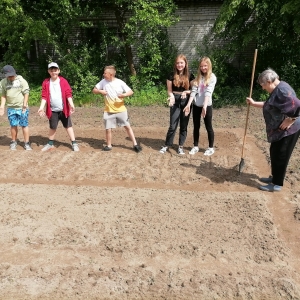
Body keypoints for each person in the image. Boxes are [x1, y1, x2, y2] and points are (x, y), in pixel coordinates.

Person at [246, 68, 300, 192]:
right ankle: (274, 177)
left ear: (269, 81)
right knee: (275, 153)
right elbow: (270, 104)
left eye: (263, 85)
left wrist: (291, 119)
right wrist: (254, 103)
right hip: (279, 130)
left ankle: (277, 184)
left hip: (288, 131)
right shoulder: (278, 89)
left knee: (281, 155)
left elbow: (297, 105)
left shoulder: (282, 90)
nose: (263, 88)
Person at [92, 65, 142, 153]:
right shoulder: (103, 82)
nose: (103, 74)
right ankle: (108, 145)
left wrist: (124, 95)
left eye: (105, 73)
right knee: (108, 129)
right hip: (108, 110)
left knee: (127, 126)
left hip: (121, 110)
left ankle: (135, 144)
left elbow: (130, 91)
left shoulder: (120, 82)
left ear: (111, 74)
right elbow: (94, 90)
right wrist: (100, 91)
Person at [38, 62, 79, 151]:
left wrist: (71, 105)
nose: (54, 72)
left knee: (68, 126)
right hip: (52, 110)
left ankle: (74, 143)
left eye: (55, 70)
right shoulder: (46, 82)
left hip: (63, 109)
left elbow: (68, 94)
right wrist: (41, 107)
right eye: (51, 70)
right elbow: (44, 96)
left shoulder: (63, 81)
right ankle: (50, 143)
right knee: (53, 127)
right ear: (49, 71)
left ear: (59, 71)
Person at [159, 54, 194, 155]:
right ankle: (167, 145)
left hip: (186, 102)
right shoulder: (171, 75)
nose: (179, 65)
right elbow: (169, 91)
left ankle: (180, 147)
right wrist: (172, 97)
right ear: (175, 64)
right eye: (178, 63)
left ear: (185, 63)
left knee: (184, 125)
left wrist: (185, 92)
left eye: (181, 63)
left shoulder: (190, 75)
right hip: (175, 101)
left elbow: (193, 91)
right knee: (172, 125)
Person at [183, 56, 217, 156]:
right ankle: (195, 146)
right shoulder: (198, 77)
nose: (203, 68)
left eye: (205, 66)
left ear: (209, 66)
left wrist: (205, 107)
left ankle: (211, 148)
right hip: (196, 105)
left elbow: (208, 93)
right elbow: (193, 92)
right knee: (196, 126)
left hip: (207, 106)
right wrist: (189, 105)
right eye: (201, 66)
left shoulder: (212, 77)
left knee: (208, 126)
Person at [0, 65, 32, 150]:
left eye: (12, 75)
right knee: (13, 125)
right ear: (5, 75)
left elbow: (26, 93)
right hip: (11, 108)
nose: (11, 77)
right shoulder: (3, 82)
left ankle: (27, 143)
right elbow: (3, 95)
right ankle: (13, 142)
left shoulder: (21, 80)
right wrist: (2, 106)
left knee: (24, 125)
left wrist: (24, 104)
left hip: (22, 108)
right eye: (9, 76)